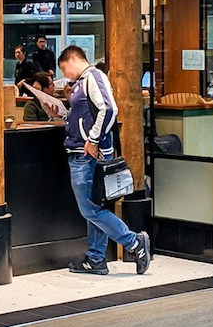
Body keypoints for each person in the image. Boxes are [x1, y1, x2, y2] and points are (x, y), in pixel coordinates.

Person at [57, 45, 150, 276]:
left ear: (72, 60)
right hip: (84, 153)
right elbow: (90, 114)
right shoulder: (82, 83)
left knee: (89, 209)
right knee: (95, 206)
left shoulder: (93, 77)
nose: (65, 75)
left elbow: (108, 109)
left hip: (86, 154)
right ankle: (96, 258)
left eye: (64, 69)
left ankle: (134, 243)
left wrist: (93, 140)